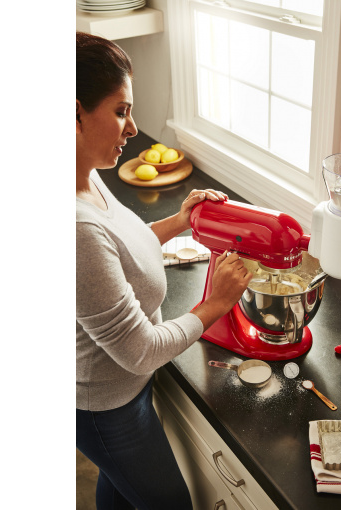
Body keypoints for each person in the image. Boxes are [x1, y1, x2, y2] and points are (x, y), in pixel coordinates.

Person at [76, 31, 252, 510]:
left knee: (120, 490)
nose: (133, 129)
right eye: (121, 111)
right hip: (106, 408)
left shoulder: (86, 176)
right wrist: (216, 302)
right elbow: (141, 351)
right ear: (75, 115)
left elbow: (121, 246)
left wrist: (179, 220)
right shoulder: (75, 228)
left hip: (124, 391)